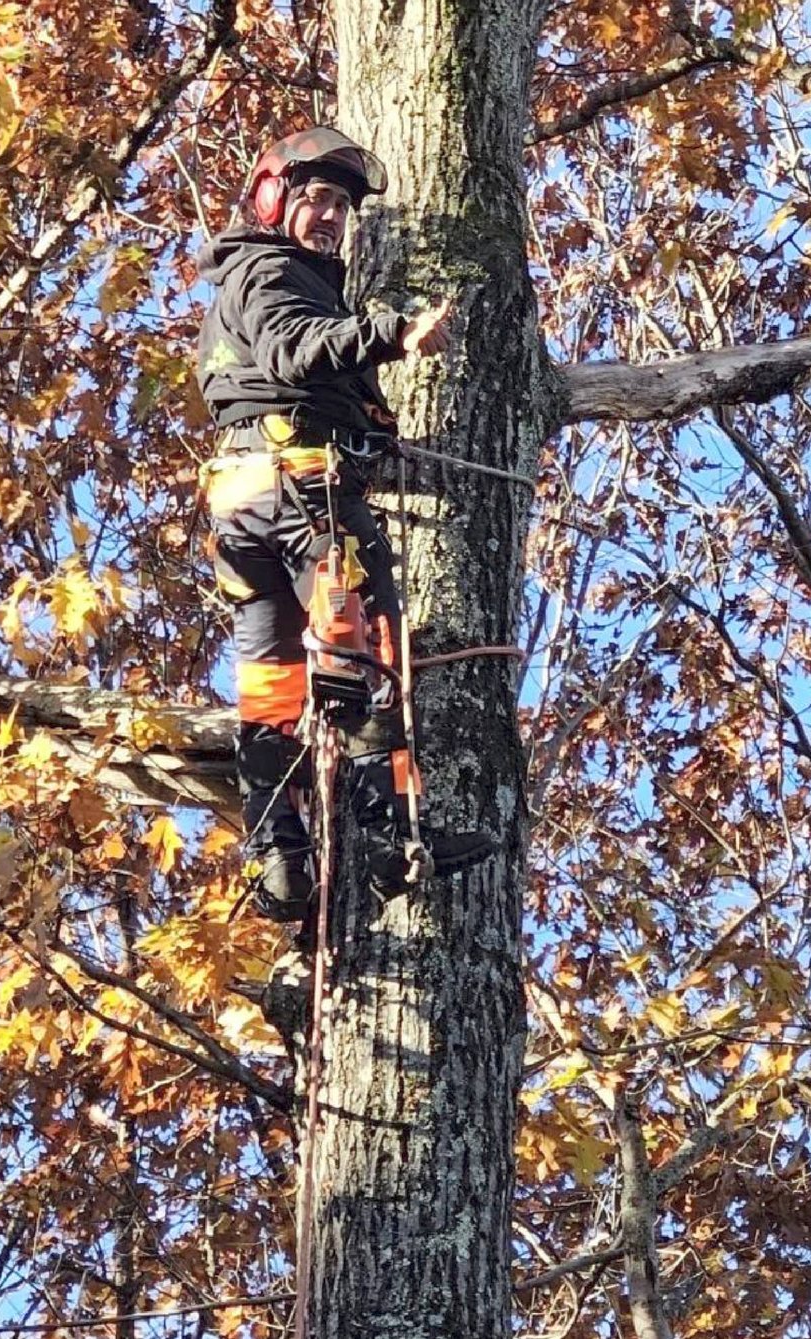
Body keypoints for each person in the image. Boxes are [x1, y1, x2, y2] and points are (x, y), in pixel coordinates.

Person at [195, 126, 495, 923]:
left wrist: (369, 419)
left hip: (245, 498)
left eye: (339, 206)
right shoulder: (271, 273)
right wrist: (393, 333)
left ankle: (282, 856)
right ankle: (397, 830)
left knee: (270, 686)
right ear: (273, 201)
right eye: (316, 199)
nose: (329, 216)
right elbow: (297, 352)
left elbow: (294, 376)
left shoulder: (262, 283)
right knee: (367, 643)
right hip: (300, 492)